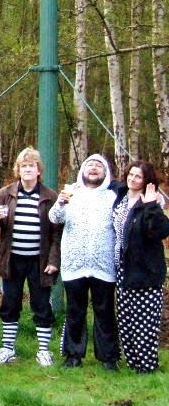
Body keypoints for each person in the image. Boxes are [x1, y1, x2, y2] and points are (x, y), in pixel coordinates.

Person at [0, 147, 61, 367]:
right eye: (24, 166)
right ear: (18, 170)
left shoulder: (49, 195)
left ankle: (44, 350)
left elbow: (56, 234)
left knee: (41, 305)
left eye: (32, 166)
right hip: (12, 259)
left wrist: (54, 261)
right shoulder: (5, 193)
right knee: (10, 303)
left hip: (39, 261)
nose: (28, 169)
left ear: (39, 171)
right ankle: (7, 348)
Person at [48, 154, 120, 370]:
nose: (94, 168)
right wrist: (60, 203)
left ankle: (108, 358)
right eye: (90, 164)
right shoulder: (71, 193)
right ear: (82, 170)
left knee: (105, 312)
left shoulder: (112, 197)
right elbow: (54, 218)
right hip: (74, 265)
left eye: (99, 166)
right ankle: (73, 356)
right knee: (75, 312)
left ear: (105, 173)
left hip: (103, 266)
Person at [111, 160, 169, 373]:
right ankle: (132, 362)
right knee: (126, 321)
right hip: (123, 270)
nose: (133, 179)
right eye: (131, 174)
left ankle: (146, 366)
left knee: (144, 323)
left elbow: (160, 231)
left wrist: (152, 206)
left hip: (145, 271)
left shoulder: (151, 202)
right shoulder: (121, 197)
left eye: (138, 176)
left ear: (146, 181)